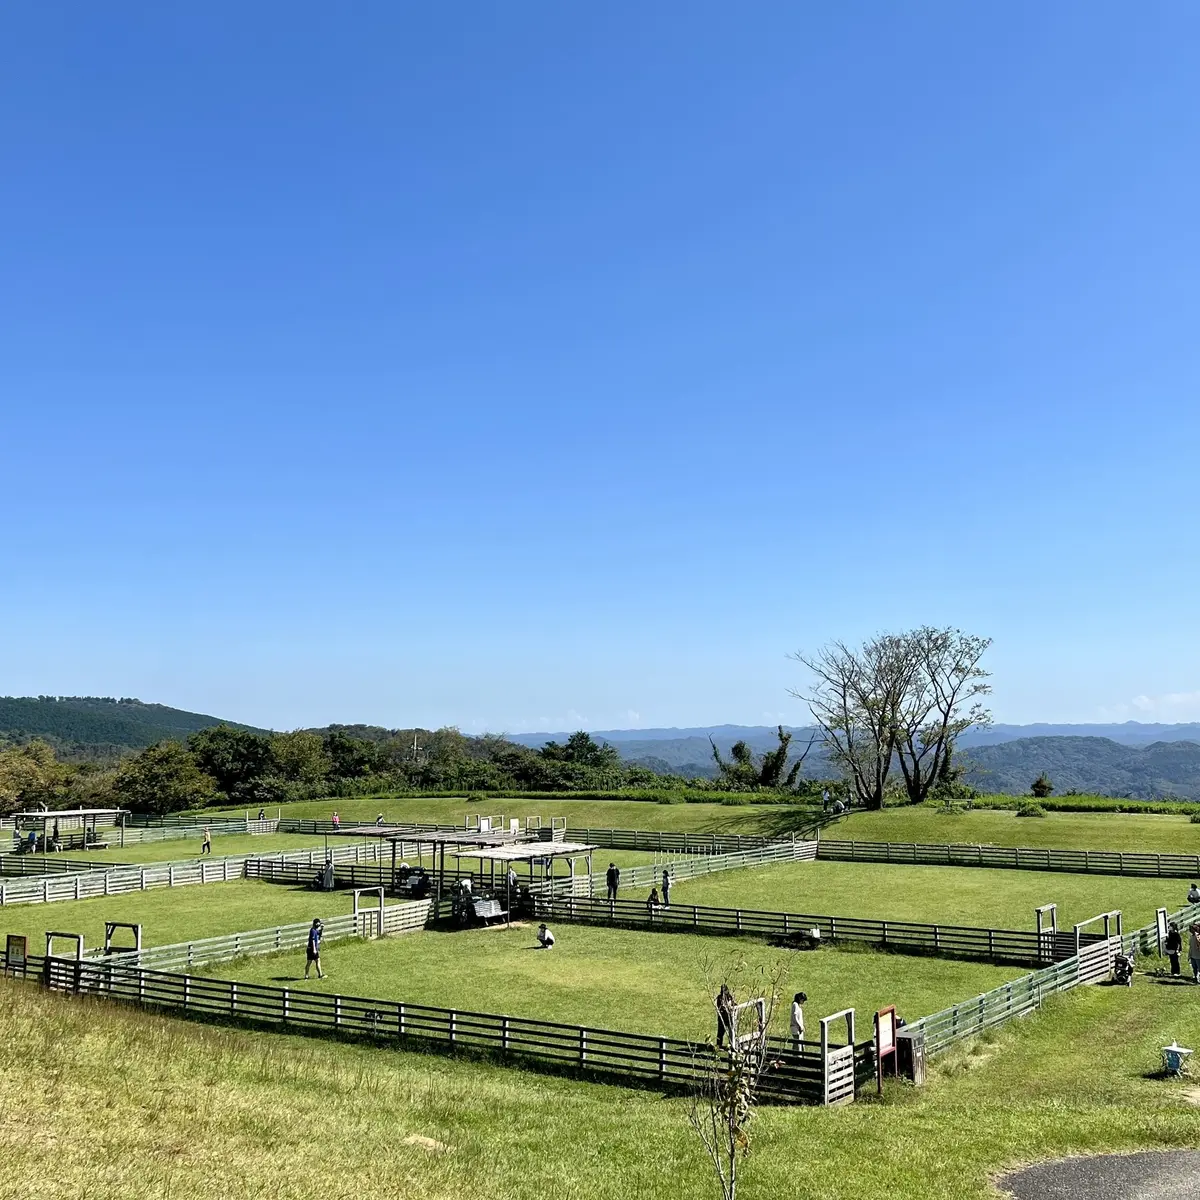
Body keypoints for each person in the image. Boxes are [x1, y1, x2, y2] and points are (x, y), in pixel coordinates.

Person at [715, 984, 734, 1049]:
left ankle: (731, 1045)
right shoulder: (719, 998)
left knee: (731, 1032)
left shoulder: (729, 997)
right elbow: (719, 1007)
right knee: (720, 1033)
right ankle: (718, 1045)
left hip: (729, 1018)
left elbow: (733, 1004)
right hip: (722, 1018)